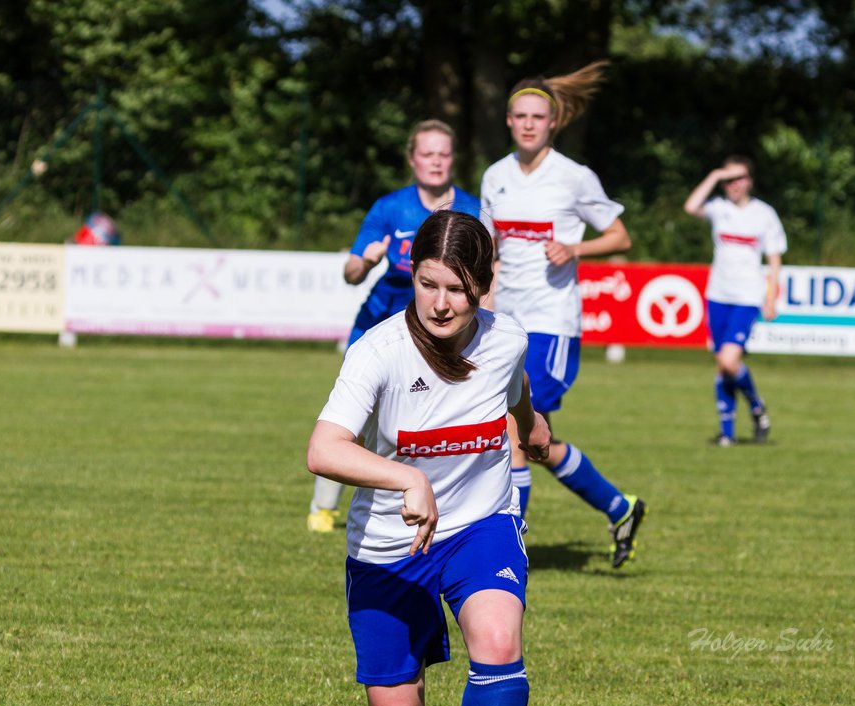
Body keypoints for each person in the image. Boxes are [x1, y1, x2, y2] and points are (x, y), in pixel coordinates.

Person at [307, 210, 551, 706]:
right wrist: (406, 479)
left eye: (457, 288)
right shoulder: (378, 351)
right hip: (390, 547)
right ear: (411, 275)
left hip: (480, 525)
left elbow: (514, 390)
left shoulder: (507, 338)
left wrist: (532, 423)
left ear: (483, 284)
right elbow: (324, 448)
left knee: (498, 640)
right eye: (428, 283)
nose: (441, 304)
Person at [480, 61, 646, 569]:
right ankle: (621, 508)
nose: (529, 123)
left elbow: (621, 236)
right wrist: (482, 310)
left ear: (553, 123)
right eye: (520, 116)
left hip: (552, 326)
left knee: (509, 430)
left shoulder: (573, 177)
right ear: (508, 121)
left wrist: (575, 248)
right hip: (505, 322)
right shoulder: (495, 177)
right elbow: (490, 250)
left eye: (538, 116)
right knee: (534, 439)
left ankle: (508, 549)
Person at [309, 120, 483, 534]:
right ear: (412, 160)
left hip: (437, 336)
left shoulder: (474, 210)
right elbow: (351, 272)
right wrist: (365, 262)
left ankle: (432, 504)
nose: (436, 162)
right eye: (427, 154)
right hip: (377, 329)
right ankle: (323, 507)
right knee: (353, 424)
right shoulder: (390, 208)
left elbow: (485, 275)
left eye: (443, 154)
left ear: (452, 160)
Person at [682, 155, 787, 446]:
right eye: (729, 180)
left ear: (750, 180)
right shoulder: (718, 209)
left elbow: (775, 259)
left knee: (729, 361)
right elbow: (690, 207)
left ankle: (755, 404)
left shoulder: (764, 214)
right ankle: (727, 434)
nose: (734, 184)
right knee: (722, 364)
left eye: (739, 178)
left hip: (747, 296)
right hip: (717, 295)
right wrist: (715, 175)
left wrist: (770, 298)